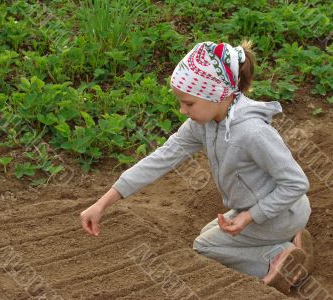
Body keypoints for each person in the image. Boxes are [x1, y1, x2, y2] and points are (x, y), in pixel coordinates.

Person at [80, 41, 314, 294]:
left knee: (204, 246)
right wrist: (102, 202)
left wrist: (249, 217)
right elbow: (161, 158)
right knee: (209, 231)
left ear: (218, 94)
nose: (183, 110)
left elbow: (297, 183)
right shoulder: (203, 124)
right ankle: (288, 239)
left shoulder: (252, 132)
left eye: (189, 103)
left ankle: (279, 258)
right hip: (270, 209)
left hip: (280, 212)